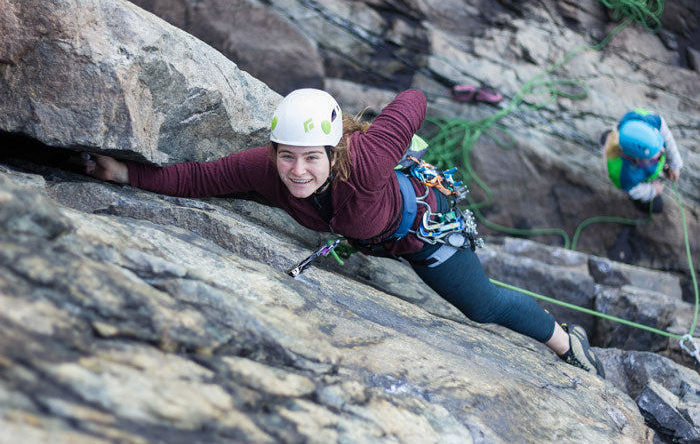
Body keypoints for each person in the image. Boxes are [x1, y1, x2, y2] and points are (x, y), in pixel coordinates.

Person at [84, 88, 605, 378]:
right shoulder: (267, 169)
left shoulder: (369, 160)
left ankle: (566, 343)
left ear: (333, 152)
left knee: (482, 306)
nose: (298, 171)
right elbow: (201, 178)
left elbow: (416, 98)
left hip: (423, 231)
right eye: (287, 156)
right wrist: (126, 175)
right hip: (371, 236)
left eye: (311, 158)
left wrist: (382, 128)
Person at [602, 108, 683, 214]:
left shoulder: (651, 120)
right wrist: (653, 190)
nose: (663, 150)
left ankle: (609, 136)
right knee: (657, 207)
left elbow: (667, 138)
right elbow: (633, 190)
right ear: (636, 160)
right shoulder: (623, 175)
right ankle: (606, 139)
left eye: (660, 146)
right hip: (638, 178)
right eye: (655, 157)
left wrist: (674, 164)